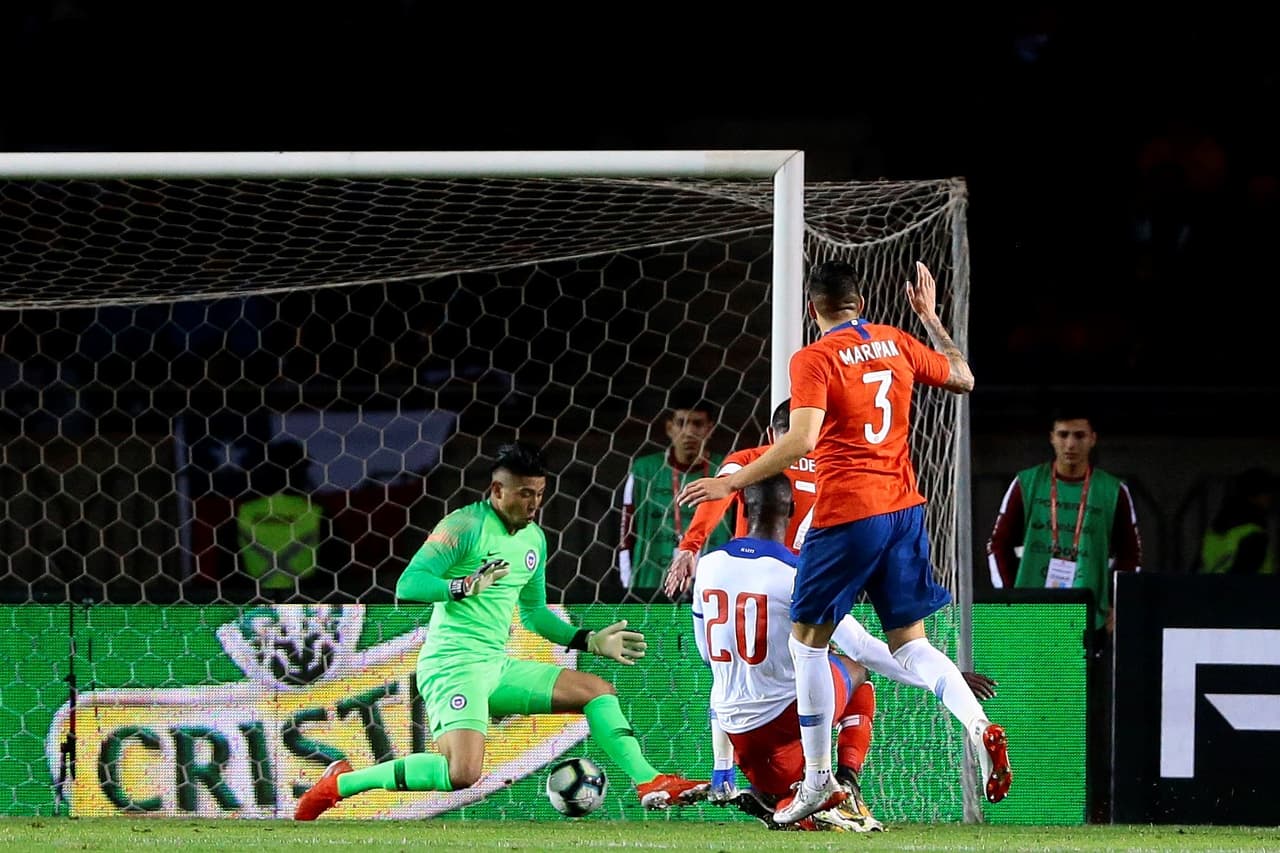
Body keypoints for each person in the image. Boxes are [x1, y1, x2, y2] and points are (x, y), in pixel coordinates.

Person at [678, 260, 1009, 824]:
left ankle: (817, 780)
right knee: (909, 644)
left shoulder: (814, 357)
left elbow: (802, 437)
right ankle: (978, 724)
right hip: (904, 509)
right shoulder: (896, 340)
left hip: (849, 512)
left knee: (809, 646)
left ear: (813, 310)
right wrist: (930, 318)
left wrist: (733, 480)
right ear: (859, 302)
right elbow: (964, 377)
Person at [294, 442, 708, 820]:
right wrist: (462, 586)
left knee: (596, 690)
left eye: (539, 494)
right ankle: (342, 783)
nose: (533, 504)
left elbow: (534, 617)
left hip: (496, 665)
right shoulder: (465, 526)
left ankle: (649, 780)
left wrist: (588, 640)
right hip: (454, 665)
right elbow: (409, 584)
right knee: (462, 774)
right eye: (524, 494)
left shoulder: (534, 540)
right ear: (496, 491)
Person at [693, 474, 999, 832]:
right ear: (792, 511)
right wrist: (942, 678)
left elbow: (706, 654)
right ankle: (843, 780)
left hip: (735, 729)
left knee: (747, 676)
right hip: (781, 721)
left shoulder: (709, 565)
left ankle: (743, 782)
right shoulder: (795, 573)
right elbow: (864, 648)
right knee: (855, 670)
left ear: (742, 508)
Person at [984, 408, 1142, 824]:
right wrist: (1011, 601)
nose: (1070, 444)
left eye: (1079, 435)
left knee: (1088, 715)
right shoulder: (1027, 482)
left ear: (1093, 439)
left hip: (1088, 622)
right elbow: (997, 546)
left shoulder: (1112, 490)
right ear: (1051, 438)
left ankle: (1090, 803)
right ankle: (1025, 795)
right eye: (1063, 435)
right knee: (1028, 704)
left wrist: (1117, 609)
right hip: (1033, 617)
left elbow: (1131, 555)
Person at [663, 397, 814, 599]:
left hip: (750, 581)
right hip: (813, 581)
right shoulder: (838, 467)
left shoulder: (748, 459)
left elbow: (717, 496)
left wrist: (690, 546)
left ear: (770, 434)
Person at [618, 392, 730, 599]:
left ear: (709, 429)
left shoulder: (727, 471)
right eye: (681, 423)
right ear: (670, 428)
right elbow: (626, 533)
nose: (689, 432)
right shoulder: (643, 470)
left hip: (715, 589)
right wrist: (627, 584)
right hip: (649, 585)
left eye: (697, 424)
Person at [1199, 467, 1276, 574]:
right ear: (1256, 496)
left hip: (1209, 589)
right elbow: (1242, 580)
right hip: (1246, 590)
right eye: (1268, 493)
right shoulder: (1253, 534)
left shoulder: (1213, 531)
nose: (1271, 499)